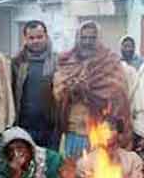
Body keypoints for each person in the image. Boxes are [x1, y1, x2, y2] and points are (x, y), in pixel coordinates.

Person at [53, 21, 131, 158]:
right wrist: (71, 89)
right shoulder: (67, 61)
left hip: (100, 131)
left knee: (96, 175)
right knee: (72, 174)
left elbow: (118, 91)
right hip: (73, 131)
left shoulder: (110, 62)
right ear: (78, 38)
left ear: (99, 39)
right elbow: (58, 91)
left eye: (92, 38)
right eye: (83, 37)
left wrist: (89, 89)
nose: (87, 42)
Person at [12, 20, 59, 149]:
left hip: (51, 129)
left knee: (50, 165)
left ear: (46, 36)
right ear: (25, 39)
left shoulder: (58, 61)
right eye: (31, 38)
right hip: (24, 126)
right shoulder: (17, 62)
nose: (36, 41)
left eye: (39, 37)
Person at [77, 116, 144, 178]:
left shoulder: (133, 159)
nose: (107, 132)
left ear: (119, 134)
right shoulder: (85, 162)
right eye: (103, 129)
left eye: (111, 129)